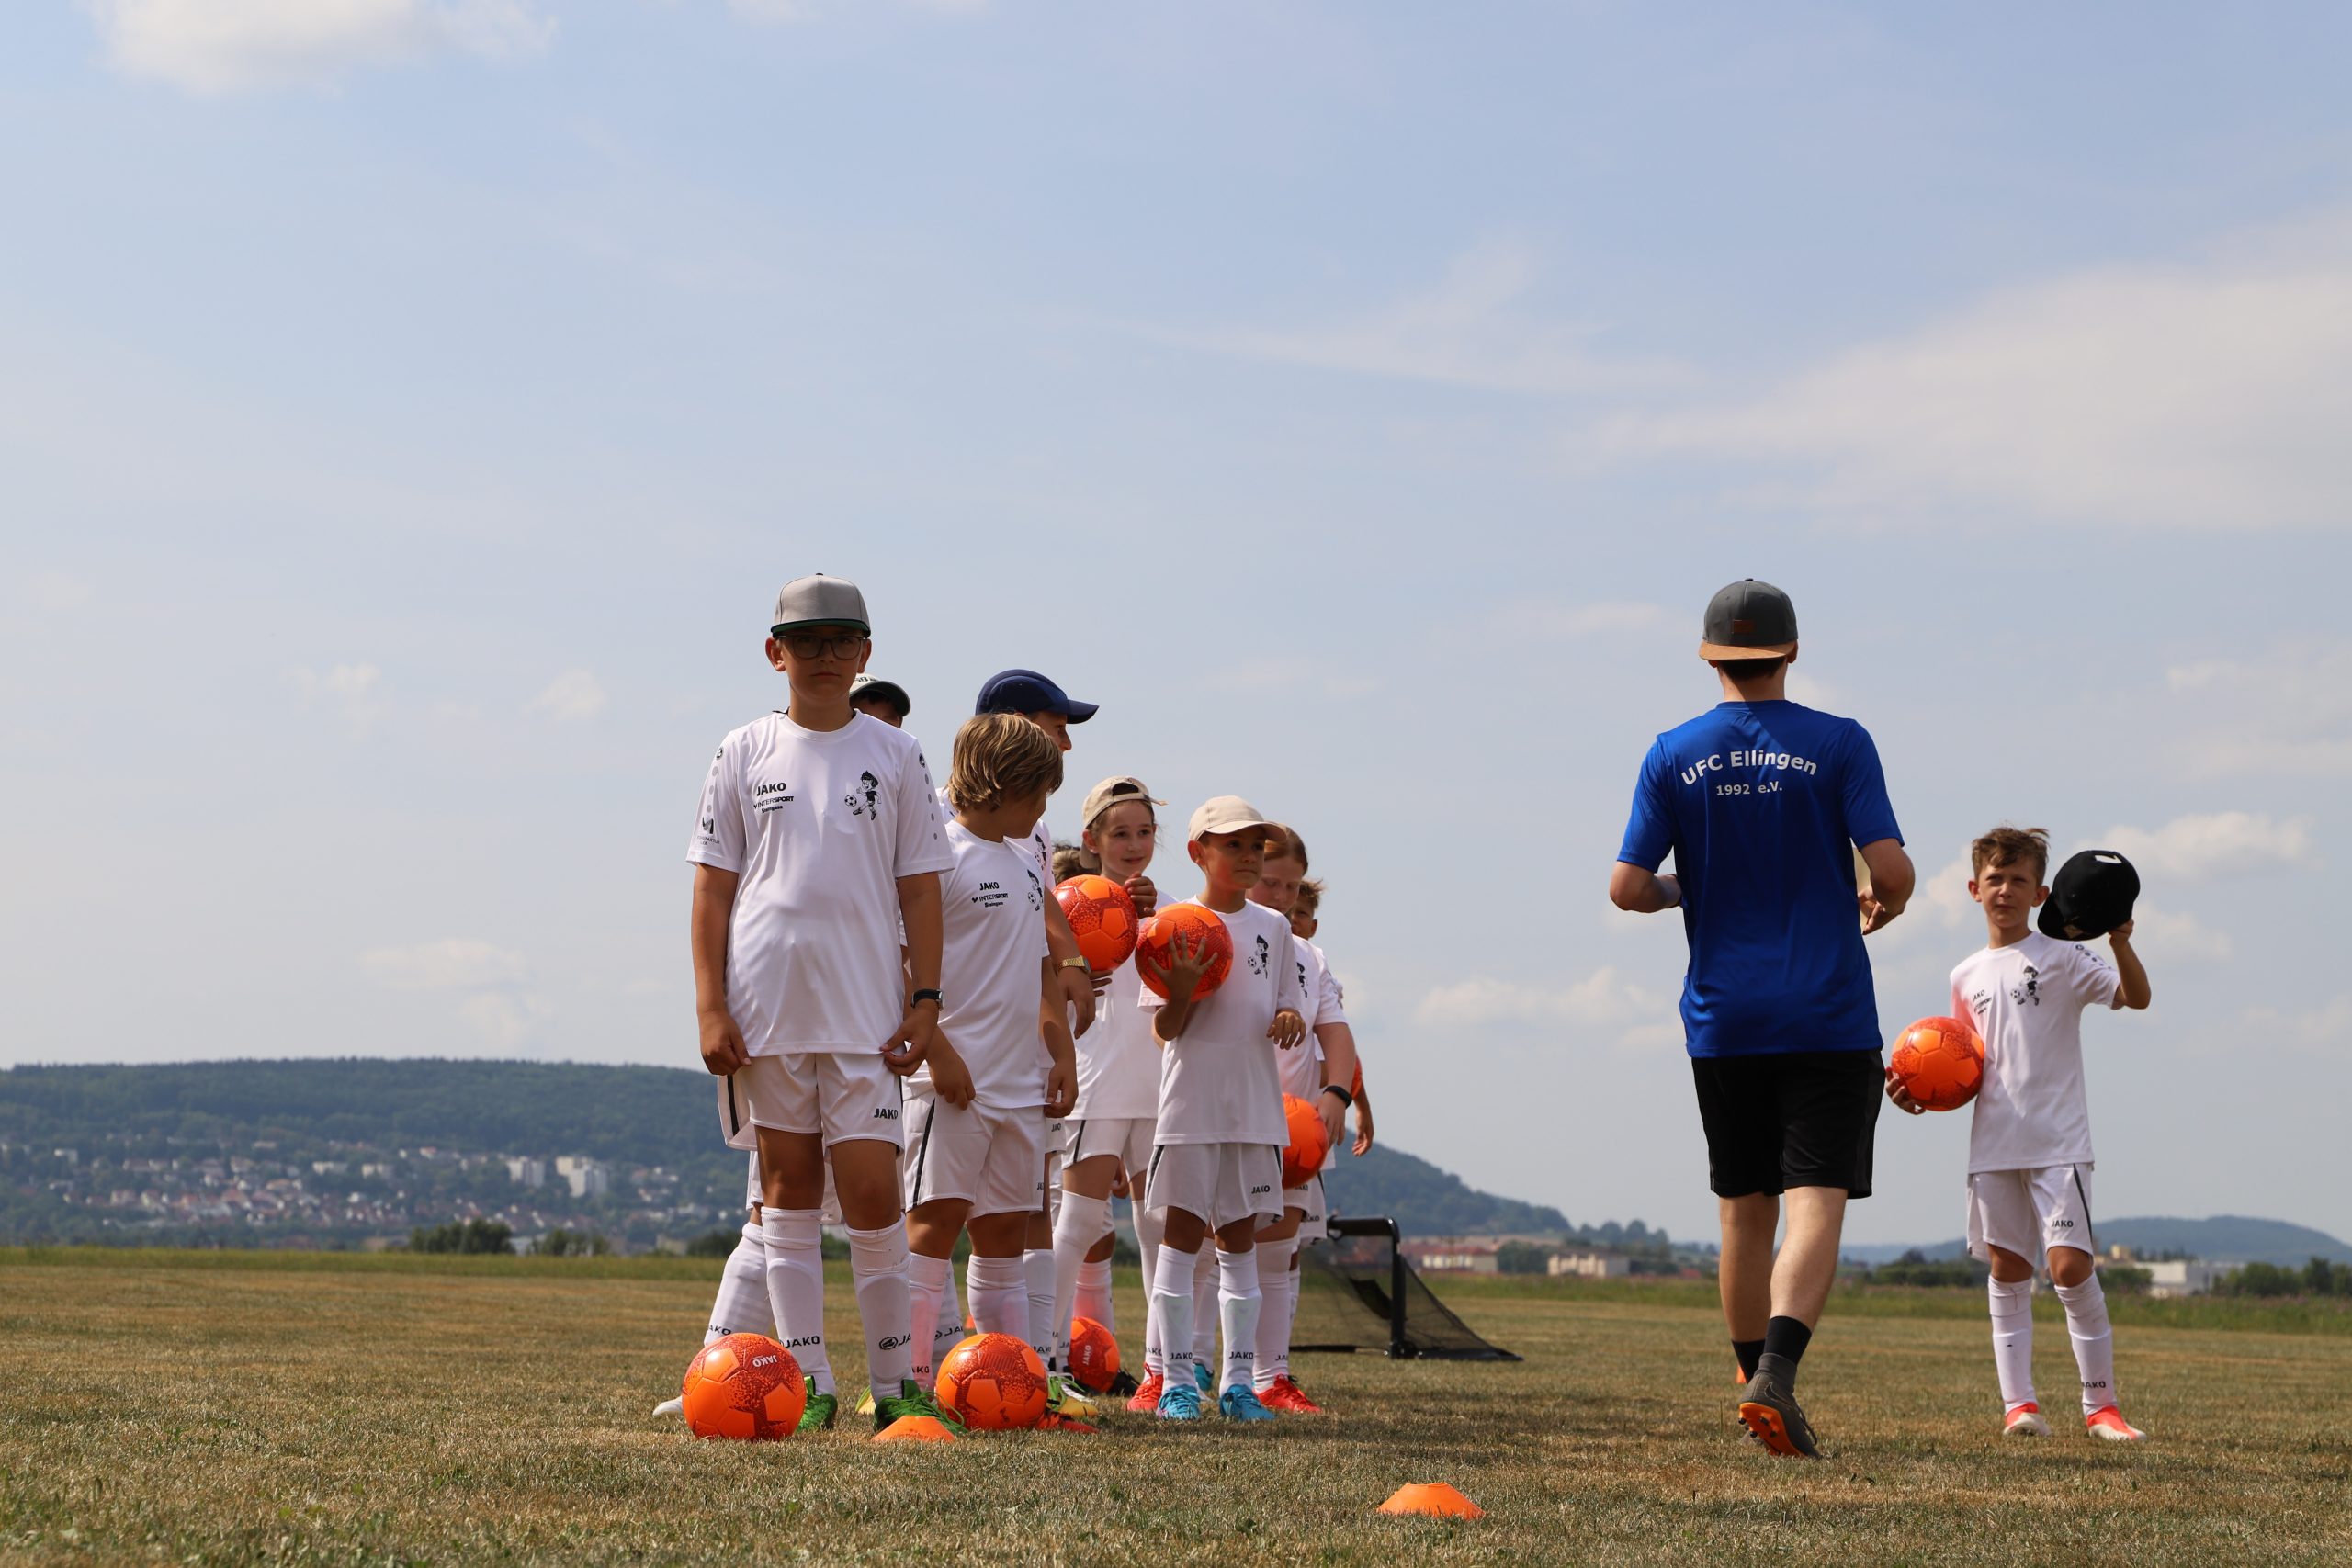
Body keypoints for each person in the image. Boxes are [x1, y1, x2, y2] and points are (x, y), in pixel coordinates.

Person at [1610, 578, 1914, 1459]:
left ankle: (1751, 1382)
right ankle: (1778, 1372)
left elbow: (1627, 886)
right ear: (1789, 651)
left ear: (1710, 656)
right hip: (1825, 1009)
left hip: (1725, 1017)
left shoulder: (1674, 751)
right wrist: (1882, 904)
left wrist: (1681, 888)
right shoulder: (1838, 743)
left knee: (1743, 1208)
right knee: (1815, 1199)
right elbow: (1890, 872)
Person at [688, 573, 964, 1436]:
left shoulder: (897, 754)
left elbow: (922, 889)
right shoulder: (741, 749)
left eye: (842, 641)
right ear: (776, 652)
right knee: (787, 1190)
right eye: (807, 641)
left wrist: (925, 1002)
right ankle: (810, 1381)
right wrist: (710, 1007)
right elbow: (711, 889)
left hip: (868, 1017)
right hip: (766, 1007)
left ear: (866, 653)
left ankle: (897, 1384)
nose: (825, 656)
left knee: (876, 1193)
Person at [1891, 826, 2152, 1441]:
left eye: (2018, 879)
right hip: (1994, 1147)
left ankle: (2102, 1408)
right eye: (1994, 878)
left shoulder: (2065, 957)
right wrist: (1920, 1096)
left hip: (2060, 1144)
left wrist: (2119, 942)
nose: (2004, 889)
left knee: (2068, 1269)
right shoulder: (1964, 974)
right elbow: (1961, 1066)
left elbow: (2135, 997)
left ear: (2040, 892)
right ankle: (2020, 1406)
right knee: (2008, 1273)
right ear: (1973, 887)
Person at [901, 717, 1081, 1409]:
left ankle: (1012, 1387)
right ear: (1002, 786)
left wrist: (1058, 1047)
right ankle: (908, 1385)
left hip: (1016, 1083)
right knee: (932, 1227)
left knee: (1003, 1234)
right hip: (951, 1081)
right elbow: (901, 964)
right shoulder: (937, 857)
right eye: (1037, 796)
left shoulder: (1023, 861)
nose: (1042, 813)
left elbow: (1039, 969)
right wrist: (938, 1050)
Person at [1137, 797, 1307, 1421]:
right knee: (1181, 1242)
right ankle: (1177, 1380)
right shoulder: (1170, 925)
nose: (1246, 855)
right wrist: (1181, 991)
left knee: (1240, 1245)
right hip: (1190, 1107)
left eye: (1255, 845)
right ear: (1197, 852)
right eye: (1232, 844)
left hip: (1255, 1108)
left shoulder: (1276, 927)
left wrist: (1290, 1015)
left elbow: (1285, 1003)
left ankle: (1238, 1384)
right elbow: (1165, 1029)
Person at [1042, 777, 1167, 1405]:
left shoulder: (1171, 908)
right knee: (1080, 1220)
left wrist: (1149, 919)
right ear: (1091, 839)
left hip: (1158, 1086)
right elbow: (1045, 981)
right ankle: (1049, 1358)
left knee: (1157, 1222)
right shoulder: (1066, 904)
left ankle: (1164, 1367)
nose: (1134, 844)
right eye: (1121, 833)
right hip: (1096, 1081)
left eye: (1145, 832)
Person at [1242, 825, 1357, 1414]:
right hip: (1231, 1115)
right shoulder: (1220, 931)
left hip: (1295, 1126)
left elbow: (1334, 1029)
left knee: (1281, 1246)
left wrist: (1337, 1092)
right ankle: (1184, 1370)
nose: (1280, 896)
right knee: (1207, 1249)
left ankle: (1271, 1375)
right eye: (1269, 882)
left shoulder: (1311, 955)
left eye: (1290, 886)